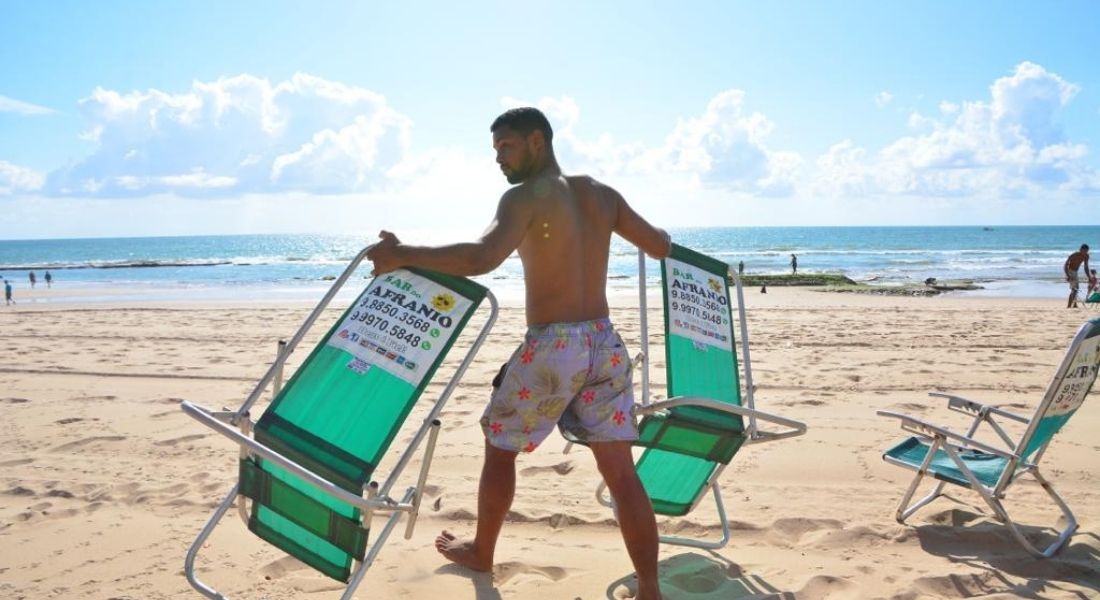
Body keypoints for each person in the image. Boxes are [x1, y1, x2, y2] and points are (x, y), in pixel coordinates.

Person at [367, 107, 670, 600]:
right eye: (495, 151)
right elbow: (658, 246)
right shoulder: (603, 195)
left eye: (505, 147)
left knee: (499, 443)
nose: (499, 159)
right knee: (619, 470)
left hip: (555, 344)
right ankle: (650, 589)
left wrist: (404, 253)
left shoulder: (523, 198)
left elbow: (481, 257)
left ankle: (483, 552)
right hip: (604, 343)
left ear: (536, 141)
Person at [1064, 244, 1090, 308]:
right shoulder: (1074, 255)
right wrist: (1068, 275)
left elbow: (1086, 267)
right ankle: (1069, 306)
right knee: (1074, 289)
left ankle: (1074, 304)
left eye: (1086, 251)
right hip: (1069, 271)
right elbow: (1065, 266)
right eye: (1084, 251)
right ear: (1080, 249)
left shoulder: (1086, 256)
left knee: (1076, 289)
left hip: (1075, 272)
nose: (1085, 253)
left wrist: (1089, 277)